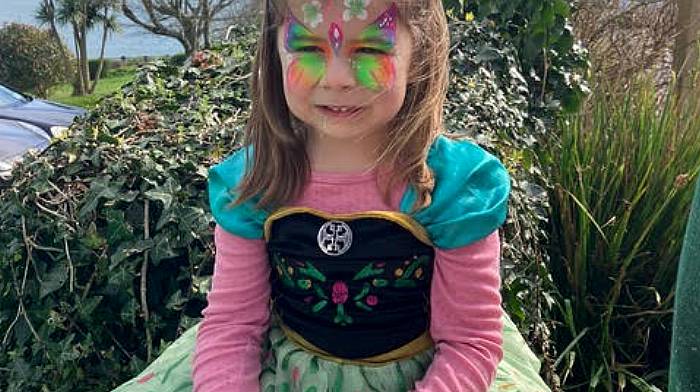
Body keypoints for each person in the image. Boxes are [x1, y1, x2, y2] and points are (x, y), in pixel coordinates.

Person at [112, 1, 550, 391]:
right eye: (307, 48)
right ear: (276, 51)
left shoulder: (453, 188)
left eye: (371, 50)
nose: (337, 78)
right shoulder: (254, 182)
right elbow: (232, 327)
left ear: (420, 53)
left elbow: (469, 343)